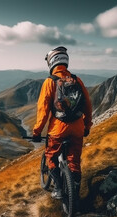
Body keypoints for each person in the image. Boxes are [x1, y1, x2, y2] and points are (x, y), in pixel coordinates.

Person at [32, 46, 92, 200]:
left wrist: (37, 132)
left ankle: (58, 187)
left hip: (58, 129)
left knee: (51, 156)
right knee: (74, 161)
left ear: (51, 62)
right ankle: (75, 192)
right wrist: (86, 126)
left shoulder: (50, 82)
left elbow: (43, 109)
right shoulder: (76, 80)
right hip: (78, 128)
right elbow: (87, 104)